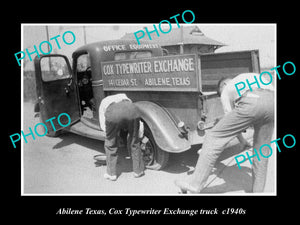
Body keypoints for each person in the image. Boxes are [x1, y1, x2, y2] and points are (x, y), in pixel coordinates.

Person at [175, 73, 274, 193]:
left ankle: (195, 184)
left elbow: (232, 125)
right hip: (272, 102)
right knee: (261, 153)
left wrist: (240, 140)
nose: (221, 95)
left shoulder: (227, 88)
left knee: (213, 136)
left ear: (224, 84)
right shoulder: (246, 77)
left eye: (220, 92)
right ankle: (258, 192)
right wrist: (244, 142)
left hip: (251, 100)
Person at [98, 93, 145, 181]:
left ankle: (111, 174)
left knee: (110, 144)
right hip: (132, 110)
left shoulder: (103, 103)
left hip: (113, 114)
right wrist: (137, 135)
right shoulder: (125, 97)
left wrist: (113, 136)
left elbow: (104, 126)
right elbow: (132, 121)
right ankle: (138, 171)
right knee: (134, 142)